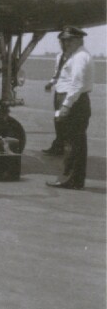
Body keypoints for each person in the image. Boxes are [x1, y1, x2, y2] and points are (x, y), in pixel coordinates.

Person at [47, 27, 93, 190]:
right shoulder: (74, 55)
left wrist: (66, 105)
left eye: (69, 40)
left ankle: (71, 180)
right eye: (64, 40)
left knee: (73, 143)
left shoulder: (80, 57)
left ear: (79, 40)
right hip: (73, 101)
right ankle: (71, 178)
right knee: (72, 142)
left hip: (75, 103)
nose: (65, 43)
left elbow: (77, 84)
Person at [41, 39, 70, 157]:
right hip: (59, 93)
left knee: (66, 121)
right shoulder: (59, 56)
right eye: (61, 42)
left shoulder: (75, 58)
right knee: (58, 120)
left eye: (65, 42)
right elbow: (57, 73)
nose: (63, 44)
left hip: (67, 93)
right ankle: (58, 146)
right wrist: (51, 83)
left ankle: (64, 148)